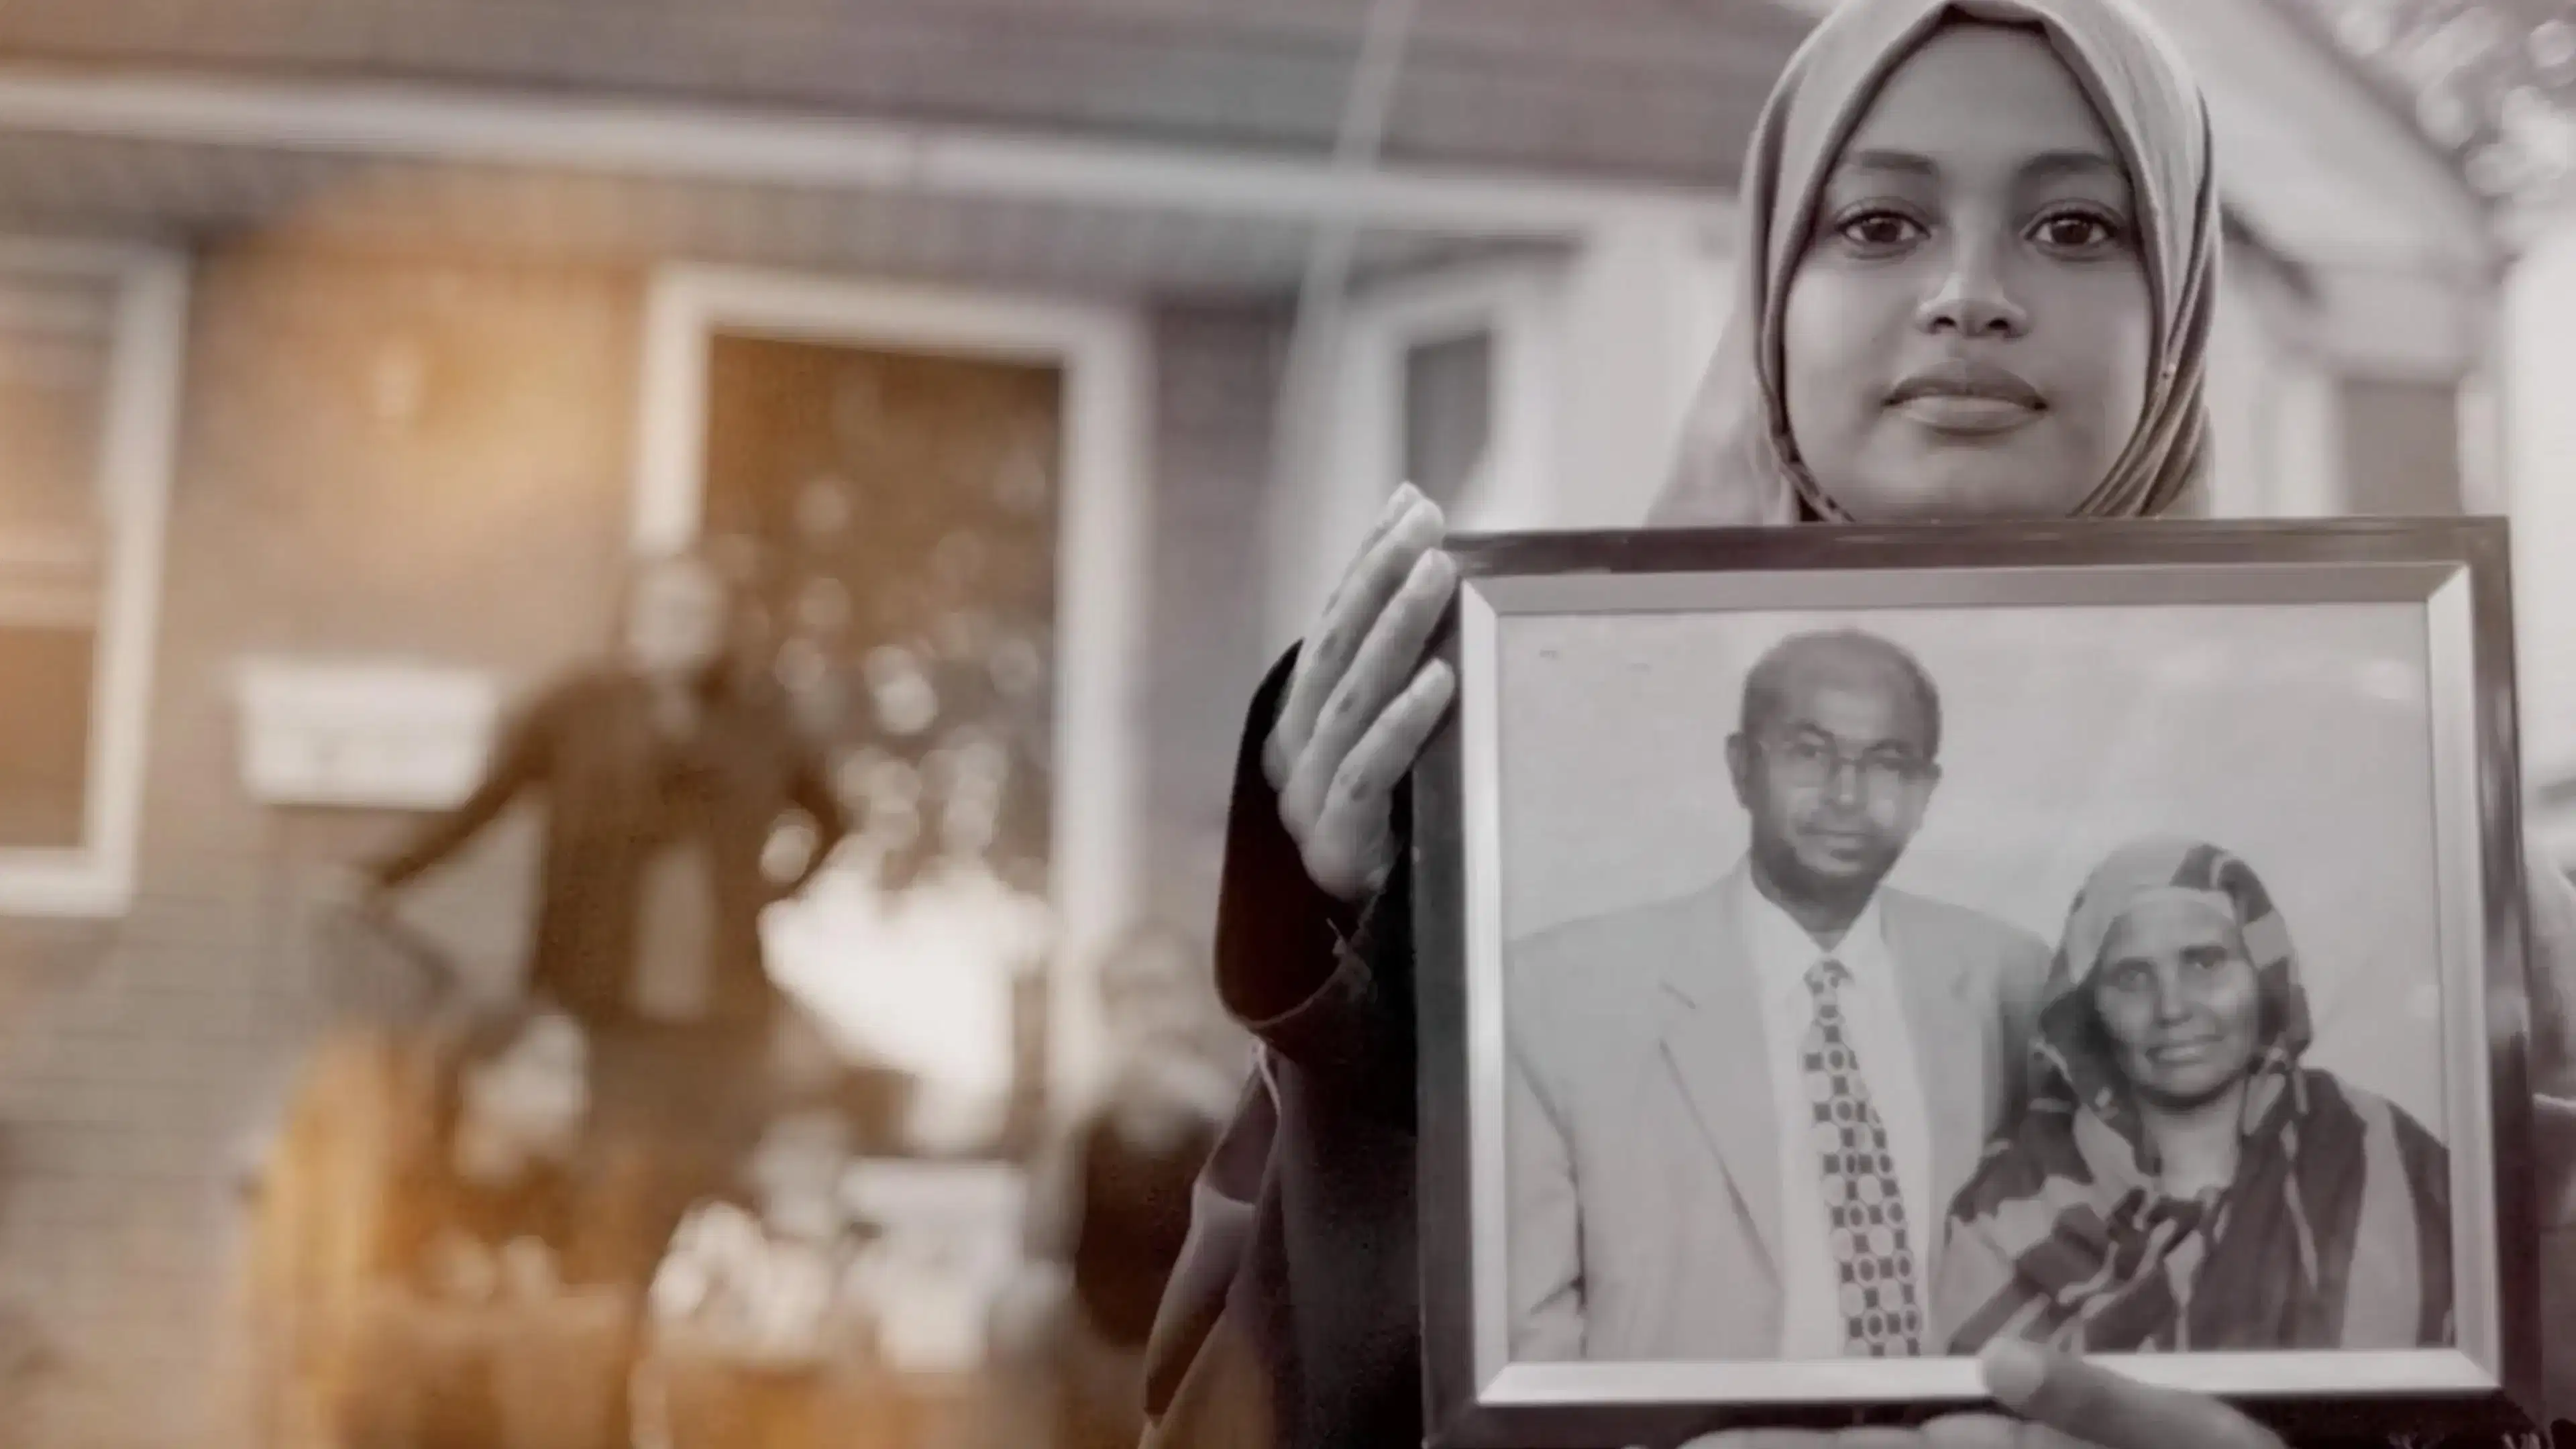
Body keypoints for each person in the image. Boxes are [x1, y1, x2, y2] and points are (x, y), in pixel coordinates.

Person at [1140, 1, 2576, 1447]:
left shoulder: (2453, 895)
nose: (1968, 294)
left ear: (2184, 303)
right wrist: (1368, 993)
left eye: (2077, 229)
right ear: (1771, 291)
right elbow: (1237, 1406)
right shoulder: (1509, 870)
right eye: (1880, 223)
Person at [1507, 629, 2049, 1360]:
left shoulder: (2008, 979)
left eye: (1888, 763)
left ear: (1925, 794)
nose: (1847, 796)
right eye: (1809, 753)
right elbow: (1527, 1333)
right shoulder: (1562, 994)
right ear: (1741, 770)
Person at [350, 545, 853, 1181]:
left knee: (693, 1167)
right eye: (667, 610)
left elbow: (834, 822)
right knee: (597, 1165)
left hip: (714, 1005)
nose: (683, 627)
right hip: (594, 994)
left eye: (700, 613)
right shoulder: (574, 711)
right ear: (633, 619)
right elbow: (482, 805)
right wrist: (384, 875)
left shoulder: (760, 722)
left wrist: (774, 892)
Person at [1939, 838, 2452, 1355]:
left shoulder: (2373, 1151)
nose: (2172, 1008)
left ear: (2265, 977)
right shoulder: (2011, 1208)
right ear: (2087, 1007)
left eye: (2204, 963)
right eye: (2132, 976)